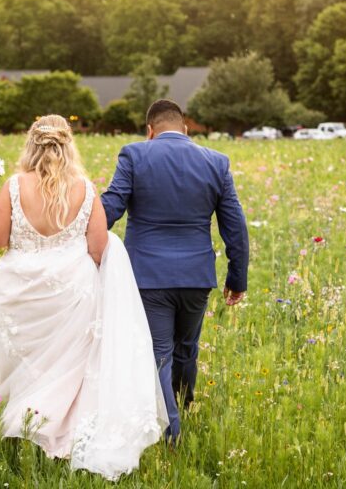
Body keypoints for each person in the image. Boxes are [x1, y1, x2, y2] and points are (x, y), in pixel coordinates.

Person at [0, 114, 168, 481]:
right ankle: (58, 434)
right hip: (72, 290)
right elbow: (98, 247)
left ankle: (30, 426)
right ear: (68, 144)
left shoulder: (14, 186)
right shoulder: (84, 188)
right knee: (69, 367)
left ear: (31, 144)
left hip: (21, 291)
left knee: (33, 365)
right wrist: (72, 271)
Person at [101, 99, 249, 443]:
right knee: (186, 347)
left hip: (149, 276)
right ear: (185, 128)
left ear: (149, 131)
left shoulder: (134, 155)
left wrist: (79, 221)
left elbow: (111, 208)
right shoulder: (216, 162)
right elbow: (235, 226)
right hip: (197, 275)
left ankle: (172, 432)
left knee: (158, 352)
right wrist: (236, 278)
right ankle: (181, 409)